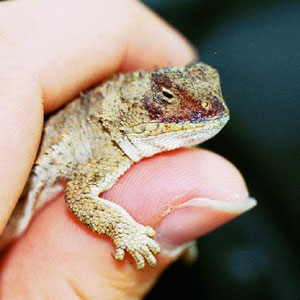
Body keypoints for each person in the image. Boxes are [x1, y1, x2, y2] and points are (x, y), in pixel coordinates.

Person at [0, 0, 255, 298]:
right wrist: (126, 233)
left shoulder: (130, 134)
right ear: (135, 109)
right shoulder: (113, 139)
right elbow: (80, 196)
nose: (209, 107)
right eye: (168, 96)